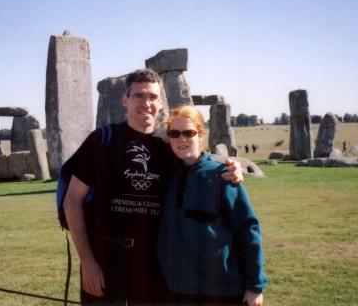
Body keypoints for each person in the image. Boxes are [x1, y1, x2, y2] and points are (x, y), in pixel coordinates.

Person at [63, 69, 244, 304]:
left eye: (152, 97)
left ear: (160, 102)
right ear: (125, 100)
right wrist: (88, 262)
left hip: (155, 261)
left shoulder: (168, 146)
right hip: (106, 257)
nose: (146, 103)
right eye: (139, 96)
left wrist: (231, 167)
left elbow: (200, 163)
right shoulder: (101, 141)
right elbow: (72, 200)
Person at [158, 105, 267, 306]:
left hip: (221, 292)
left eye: (188, 133)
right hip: (176, 291)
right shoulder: (166, 175)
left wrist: (255, 286)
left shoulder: (222, 175)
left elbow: (247, 230)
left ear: (200, 135)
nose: (181, 139)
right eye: (174, 133)